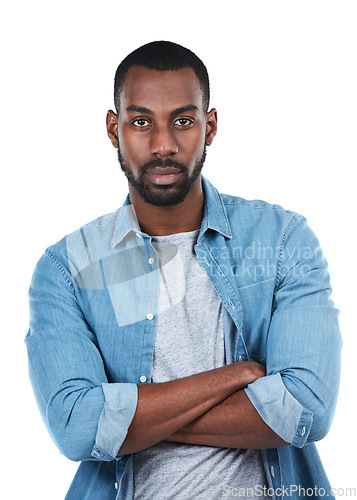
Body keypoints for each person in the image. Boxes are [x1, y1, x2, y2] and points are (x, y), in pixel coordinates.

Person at [26, 41, 342, 500]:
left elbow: (305, 409)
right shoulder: (68, 269)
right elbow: (77, 428)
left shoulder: (282, 241)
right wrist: (232, 377)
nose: (163, 145)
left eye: (183, 120)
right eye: (140, 122)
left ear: (209, 126)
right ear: (113, 129)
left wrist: (132, 420)